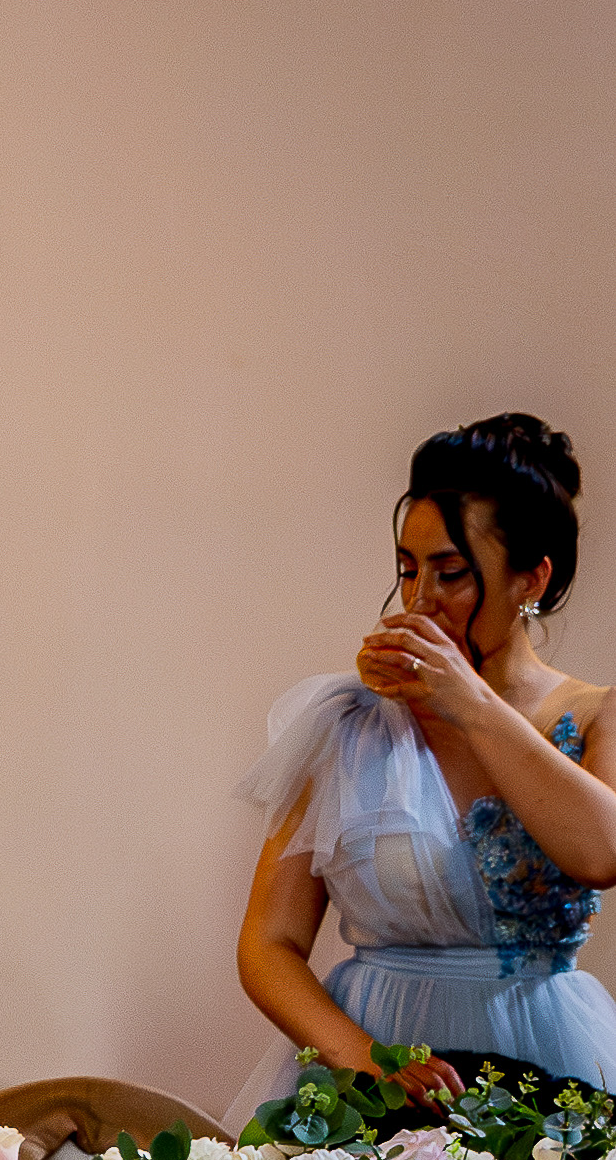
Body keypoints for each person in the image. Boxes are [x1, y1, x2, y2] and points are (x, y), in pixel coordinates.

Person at [235, 414, 616, 1118]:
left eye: (451, 574)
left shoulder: (597, 715)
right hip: (372, 1058)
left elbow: (602, 853)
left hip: (547, 1050)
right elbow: (269, 942)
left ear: (531, 578)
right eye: (408, 570)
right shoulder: (347, 722)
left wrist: (469, 702)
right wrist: (365, 1060)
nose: (420, 601)